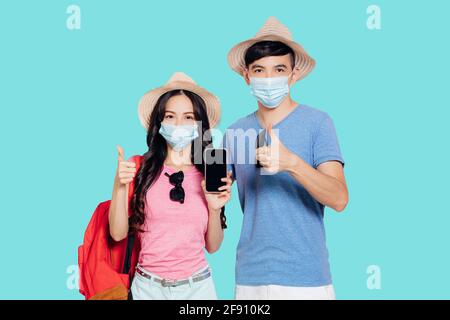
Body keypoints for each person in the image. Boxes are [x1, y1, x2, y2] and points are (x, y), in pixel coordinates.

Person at [223, 17, 349, 300]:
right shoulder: (234, 132)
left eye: (279, 69)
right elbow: (215, 197)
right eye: (259, 70)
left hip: (306, 278)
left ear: (293, 75)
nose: (269, 79)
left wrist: (292, 163)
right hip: (250, 277)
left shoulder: (318, 123)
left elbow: (339, 198)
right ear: (247, 76)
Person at [109, 72, 233, 300]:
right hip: (147, 288)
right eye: (170, 116)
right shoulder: (140, 169)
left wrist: (215, 208)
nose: (178, 124)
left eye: (188, 117)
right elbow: (117, 234)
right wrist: (119, 186)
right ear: (159, 122)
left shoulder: (209, 172)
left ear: (199, 124)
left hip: (198, 289)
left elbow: (213, 247)